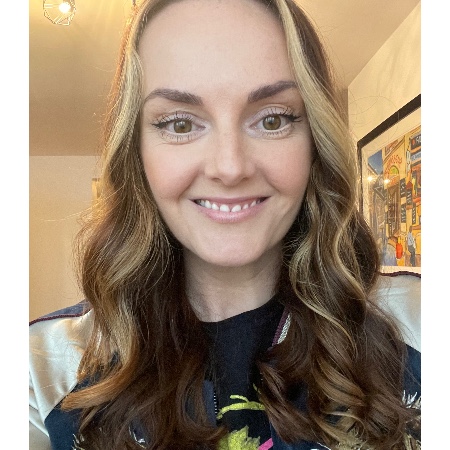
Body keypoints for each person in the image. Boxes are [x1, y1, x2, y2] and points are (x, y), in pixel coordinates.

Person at [29, 0, 421, 449]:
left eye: (272, 119)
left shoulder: (419, 321)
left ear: (315, 140)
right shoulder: (43, 369)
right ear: (136, 152)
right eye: (180, 124)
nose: (230, 167)